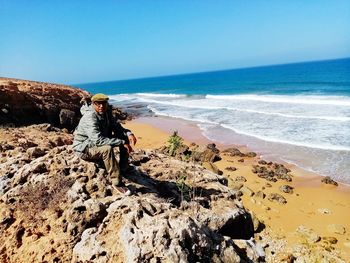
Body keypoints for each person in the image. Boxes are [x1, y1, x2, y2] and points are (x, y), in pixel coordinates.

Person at [72, 93, 137, 195]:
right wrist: (121, 142)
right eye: (98, 104)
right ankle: (117, 183)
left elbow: (117, 127)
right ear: (93, 104)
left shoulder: (106, 113)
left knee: (124, 137)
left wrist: (129, 134)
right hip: (84, 148)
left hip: (97, 142)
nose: (101, 106)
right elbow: (98, 141)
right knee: (107, 149)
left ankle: (123, 168)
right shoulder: (90, 117)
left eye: (104, 103)